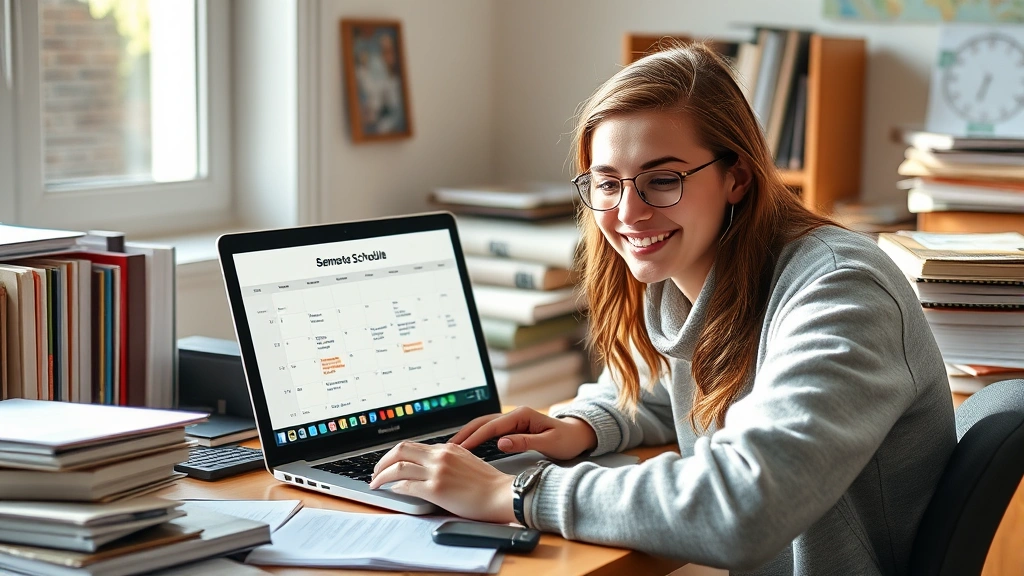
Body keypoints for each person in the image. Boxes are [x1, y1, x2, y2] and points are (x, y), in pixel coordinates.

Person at [369, 42, 956, 574]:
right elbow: (663, 384)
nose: (628, 215)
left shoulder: (840, 289)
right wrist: (580, 425)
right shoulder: (700, 272)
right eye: (608, 183)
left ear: (737, 177)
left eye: (662, 179)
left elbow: (744, 507)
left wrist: (515, 496)